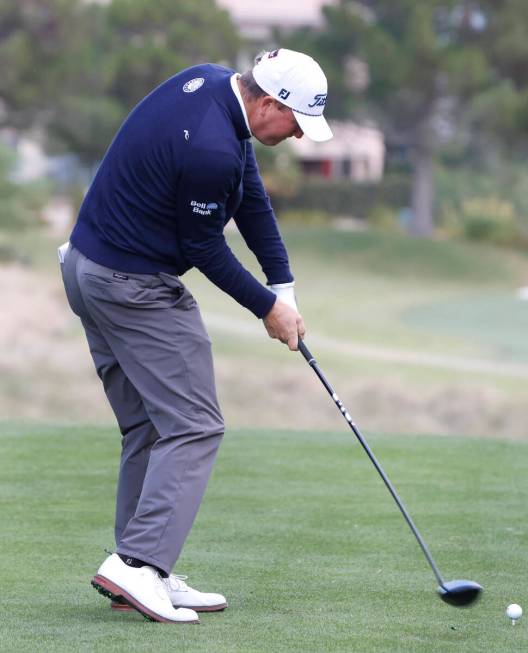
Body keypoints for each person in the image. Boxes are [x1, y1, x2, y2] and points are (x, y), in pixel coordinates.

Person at [59, 48, 332, 624]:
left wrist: (283, 284)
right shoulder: (211, 148)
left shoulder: (212, 85)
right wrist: (267, 309)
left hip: (86, 269)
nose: (300, 137)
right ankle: (138, 564)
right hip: (131, 284)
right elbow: (203, 248)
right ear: (266, 104)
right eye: (296, 122)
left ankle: (140, 568)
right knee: (195, 424)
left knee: (150, 424)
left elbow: (251, 197)